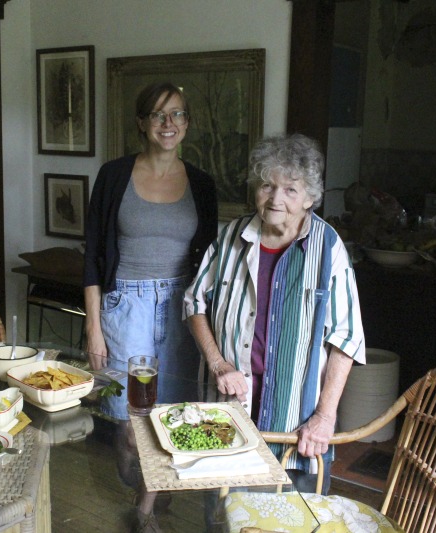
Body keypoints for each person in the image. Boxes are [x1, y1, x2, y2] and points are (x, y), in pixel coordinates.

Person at [183, 133, 365, 493]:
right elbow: (194, 303)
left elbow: (346, 338)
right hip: (229, 411)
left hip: (296, 424)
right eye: (267, 185)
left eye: (290, 190)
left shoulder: (328, 248)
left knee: (292, 517)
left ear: (310, 198)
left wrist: (324, 418)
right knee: (223, 516)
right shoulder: (232, 236)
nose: (275, 198)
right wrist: (218, 363)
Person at [83, 81, 217, 531]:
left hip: (181, 308)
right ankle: (136, 478)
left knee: (169, 417)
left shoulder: (201, 183)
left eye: (177, 114)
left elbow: (209, 259)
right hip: (126, 306)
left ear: (187, 124)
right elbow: (92, 254)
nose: (168, 124)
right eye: (158, 115)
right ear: (141, 123)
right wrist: (93, 326)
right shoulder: (113, 175)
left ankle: (146, 510)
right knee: (127, 424)